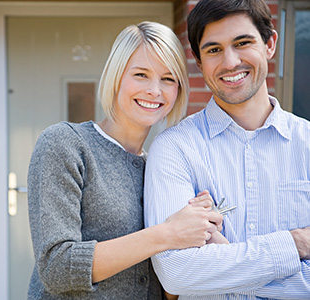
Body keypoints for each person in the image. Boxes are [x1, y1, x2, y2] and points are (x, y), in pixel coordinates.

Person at [27, 21, 223, 299]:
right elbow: (57, 267)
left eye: (168, 79)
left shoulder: (164, 167)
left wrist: (198, 230)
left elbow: (167, 290)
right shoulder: (65, 144)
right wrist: (167, 233)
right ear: (116, 76)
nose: (155, 90)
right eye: (141, 74)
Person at [144, 0, 310, 299]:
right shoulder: (174, 149)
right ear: (199, 61)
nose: (230, 62)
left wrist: (224, 262)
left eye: (242, 43)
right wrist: (295, 244)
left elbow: (194, 274)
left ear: (270, 44)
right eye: (213, 49)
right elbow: (177, 274)